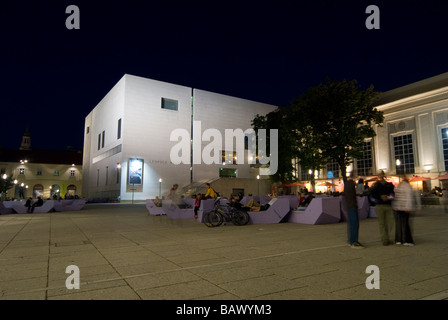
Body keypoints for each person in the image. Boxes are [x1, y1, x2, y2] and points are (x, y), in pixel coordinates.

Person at [392, 175, 420, 246]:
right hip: (404, 207)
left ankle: (399, 240)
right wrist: (409, 207)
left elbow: (396, 196)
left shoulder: (398, 186)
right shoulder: (407, 186)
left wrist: (395, 206)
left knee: (399, 224)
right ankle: (407, 240)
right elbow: (409, 197)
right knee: (406, 224)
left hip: (398, 207)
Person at [370, 170, 395, 246]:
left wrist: (387, 197)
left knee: (389, 222)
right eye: (379, 174)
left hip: (388, 205)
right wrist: (380, 197)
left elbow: (393, 194)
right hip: (380, 205)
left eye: (381, 174)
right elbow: (372, 195)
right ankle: (385, 239)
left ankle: (387, 237)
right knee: (382, 223)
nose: (380, 175)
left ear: (384, 175)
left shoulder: (389, 185)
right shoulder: (376, 185)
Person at [343, 179, 364, 248]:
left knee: (351, 225)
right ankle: (354, 242)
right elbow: (359, 192)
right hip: (352, 206)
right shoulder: (351, 185)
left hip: (349, 206)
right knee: (355, 224)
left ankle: (351, 241)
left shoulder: (347, 187)